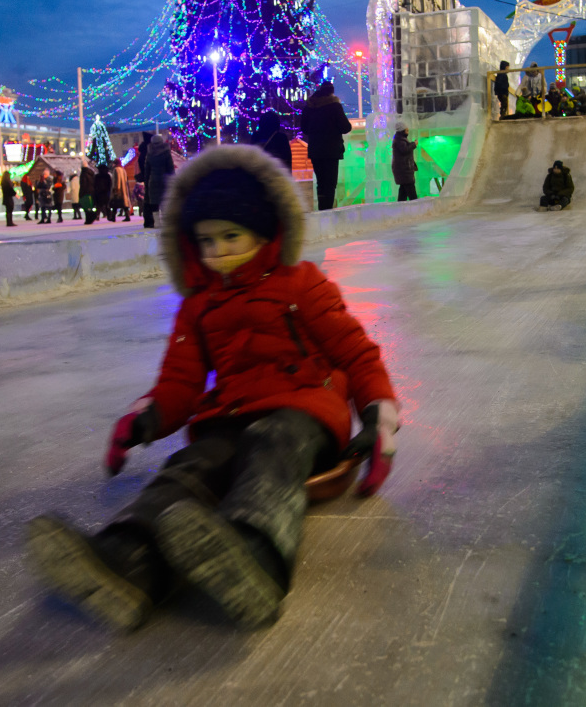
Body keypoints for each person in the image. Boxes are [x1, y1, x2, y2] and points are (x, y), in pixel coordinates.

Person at [25, 144, 399, 632]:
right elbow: (180, 380)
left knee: (272, 445)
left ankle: (257, 553)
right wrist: (147, 416)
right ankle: (128, 561)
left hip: (304, 410)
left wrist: (377, 416)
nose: (218, 251)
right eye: (206, 241)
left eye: (231, 236)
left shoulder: (300, 283)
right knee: (193, 464)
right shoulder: (198, 306)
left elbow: (355, 351)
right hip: (233, 411)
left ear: (264, 231)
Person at [300, 80, 353, 211]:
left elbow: (304, 129)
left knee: (321, 182)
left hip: (316, 150)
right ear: (331, 92)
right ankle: (327, 212)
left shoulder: (309, 107)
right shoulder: (334, 106)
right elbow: (346, 127)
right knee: (330, 183)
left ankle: (321, 209)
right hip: (331, 150)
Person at [142, 135, 175, 228]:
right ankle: (165, 222)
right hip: (164, 181)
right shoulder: (166, 153)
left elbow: (147, 170)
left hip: (153, 181)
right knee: (165, 201)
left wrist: (146, 182)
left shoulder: (149, 154)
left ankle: (156, 222)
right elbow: (170, 168)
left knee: (154, 202)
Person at [392, 127, 418, 201]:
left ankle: (400, 209)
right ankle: (416, 209)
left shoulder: (399, 139)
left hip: (404, 170)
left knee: (403, 192)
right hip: (404, 170)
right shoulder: (400, 140)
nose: (408, 132)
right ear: (402, 131)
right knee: (412, 194)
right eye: (406, 130)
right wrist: (414, 144)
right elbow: (405, 149)